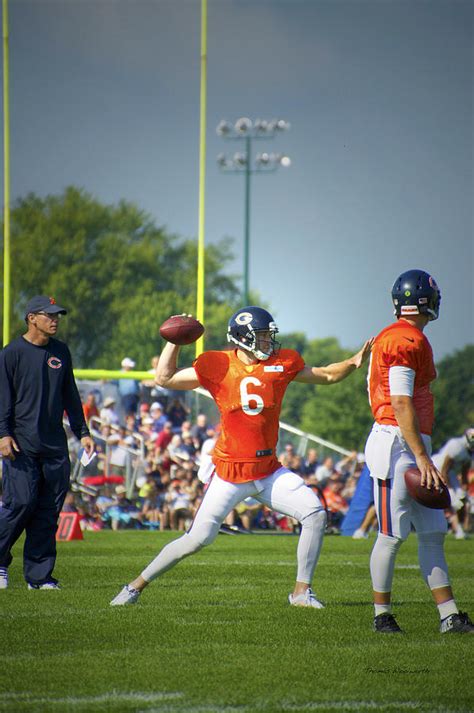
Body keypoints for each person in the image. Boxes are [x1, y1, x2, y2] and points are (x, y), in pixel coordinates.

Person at [111, 305, 372, 607]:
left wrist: (353, 363)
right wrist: (175, 340)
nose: (267, 343)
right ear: (243, 338)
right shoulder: (217, 364)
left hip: (268, 470)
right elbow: (164, 379)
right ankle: (134, 587)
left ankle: (301, 592)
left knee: (314, 512)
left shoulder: (281, 363)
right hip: (231, 474)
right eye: (261, 337)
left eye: (267, 336)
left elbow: (325, 375)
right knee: (196, 540)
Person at [364, 270, 474, 634]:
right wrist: (423, 457)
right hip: (397, 443)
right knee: (392, 534)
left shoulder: (403, 336)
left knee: (433, 532)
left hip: (412, 442)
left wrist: (423, 451)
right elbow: (399, 400)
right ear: (429, 301)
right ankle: (382, 615)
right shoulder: (404, 340)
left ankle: (449, 615)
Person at [0, 295, 95, 590]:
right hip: (21, 444)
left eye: (58, 315)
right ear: (32, 318)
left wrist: (83, 432)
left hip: (55, 445)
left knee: (48, 510)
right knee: (21, 503)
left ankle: (39, 577)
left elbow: (71, 395)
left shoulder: (61, 352)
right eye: (49, 315)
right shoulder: (11, 353)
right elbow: (2, 398)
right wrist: (3, 434)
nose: (55, 320)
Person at [432, 428, 473, 540]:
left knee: (461, 500)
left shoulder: (469, 452)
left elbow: (464, 474)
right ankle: (458, 530)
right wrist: (449, 489)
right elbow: (444, 469)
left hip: (451, 473)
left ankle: (459, 529)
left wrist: (464, 492)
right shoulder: (456, 446)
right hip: (437, 468)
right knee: (452, 500)